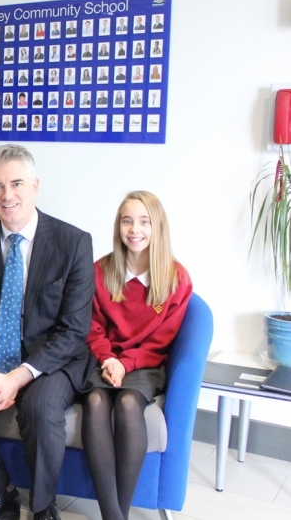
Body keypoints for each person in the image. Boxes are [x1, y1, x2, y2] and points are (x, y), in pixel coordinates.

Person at [0, 144, 95, 520]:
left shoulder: (73, 242)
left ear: (35, 186)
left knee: (40, 408)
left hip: (50, 359)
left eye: (17, 183)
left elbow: (73, 331)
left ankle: (42, 507)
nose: (7, 195)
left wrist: (18, 378)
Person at [83, 191, 192, 520]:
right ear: (118, 227)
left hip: (144, 362)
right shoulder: (100, 271)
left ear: (157, 227)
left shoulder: (176, 278)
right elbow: (92, 326)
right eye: (127, 221)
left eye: (144, 221)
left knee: (129, 404)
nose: (134, 229)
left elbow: (161, 341)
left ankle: (119, 514)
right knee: (96, 402)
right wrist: (107, 359)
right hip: (103, 358)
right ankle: (113, 516)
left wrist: (125, 363)